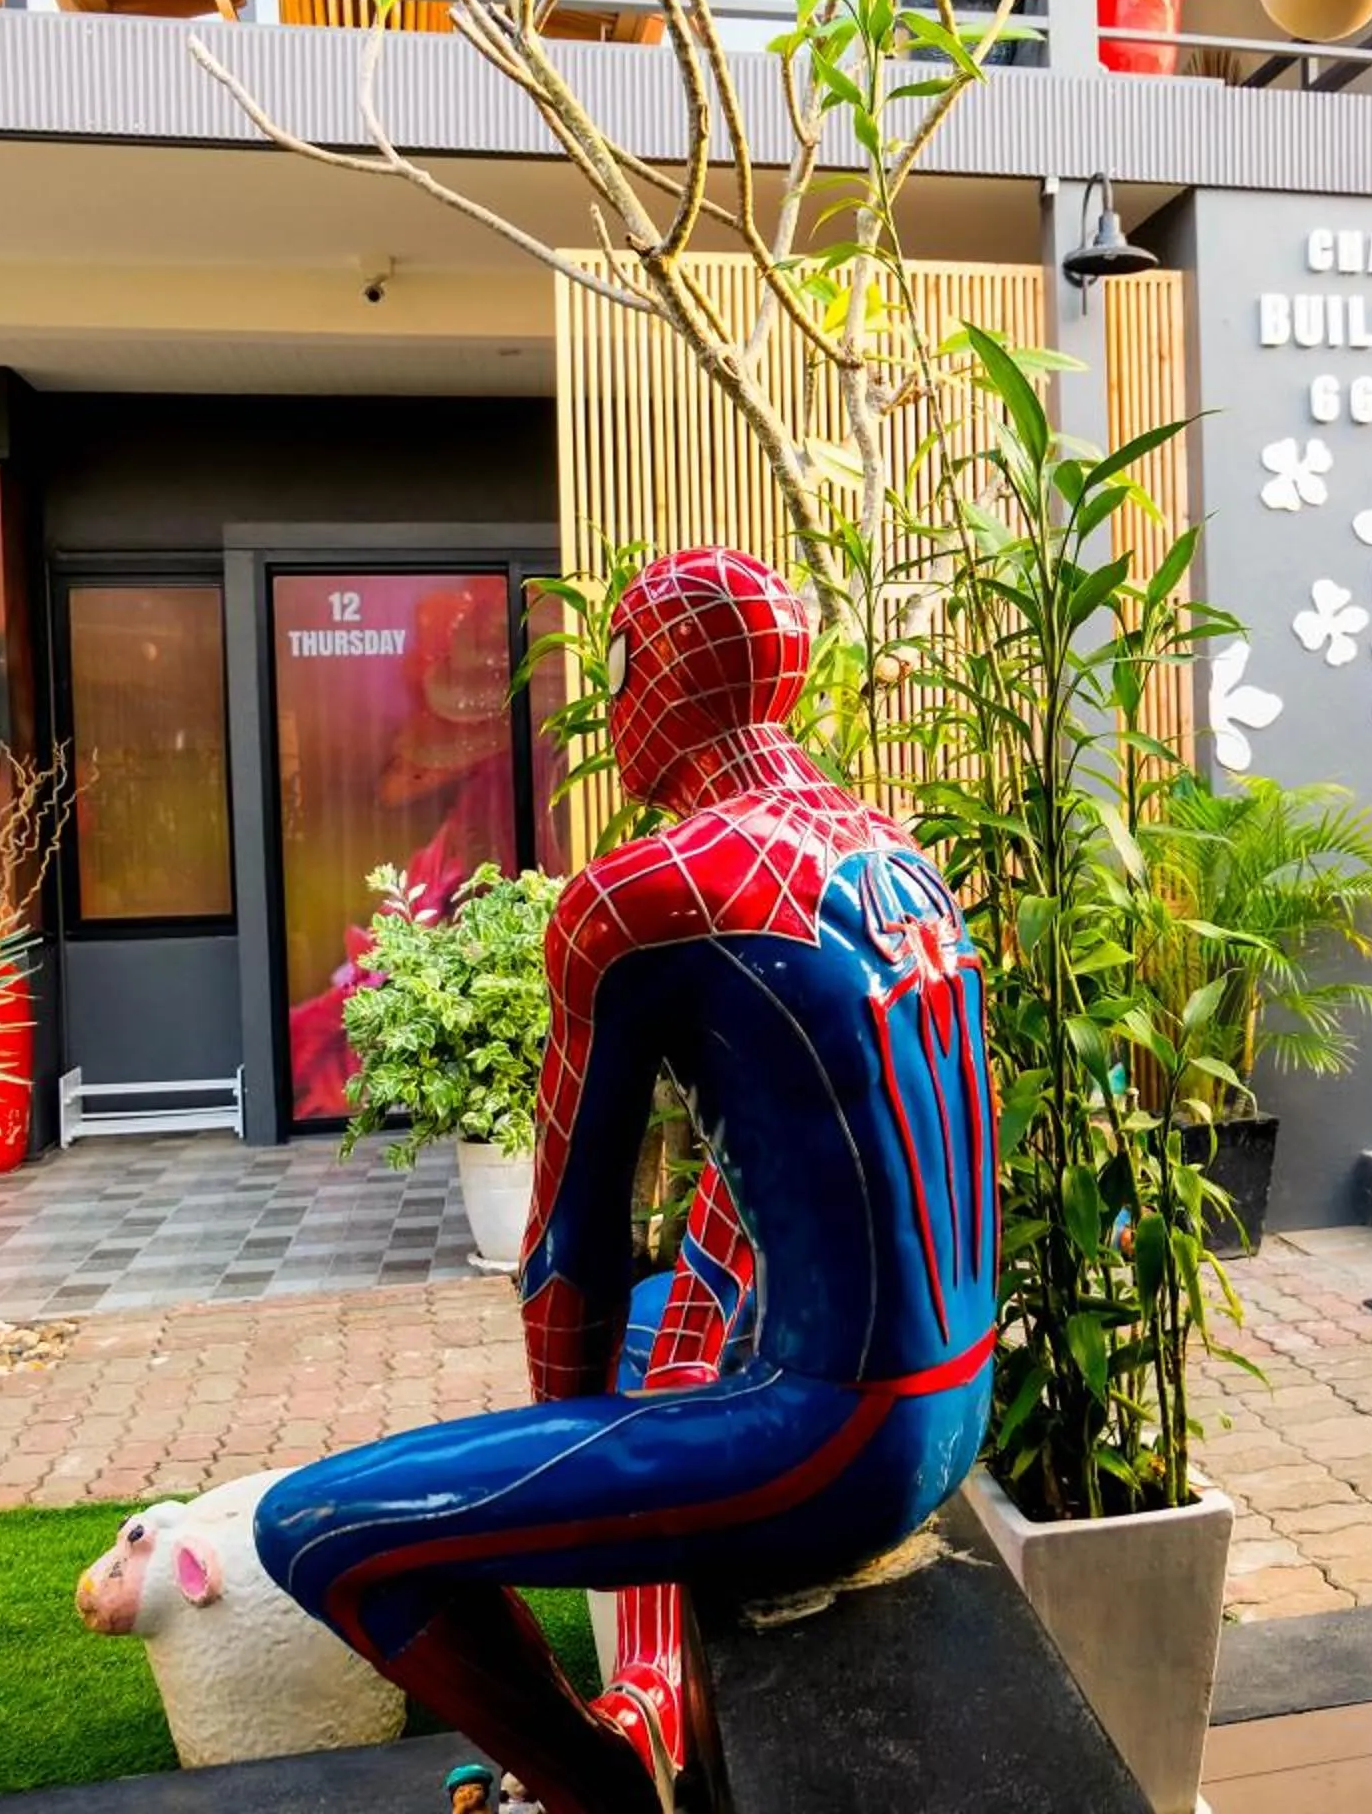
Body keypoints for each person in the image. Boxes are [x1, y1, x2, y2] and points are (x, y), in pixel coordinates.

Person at [254, 549, 997, 1813]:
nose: (607, 709)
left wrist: (572, 1458)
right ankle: (650, 1680)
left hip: (835, 1444)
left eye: (618, 672)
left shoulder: (643, 894)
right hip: (952, 1414)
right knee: (668, 1318)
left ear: (661, 678)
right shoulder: (893, 851)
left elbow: (568, 1253)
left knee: (317, 1530)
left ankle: (595, 1788)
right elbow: (804, 1172)